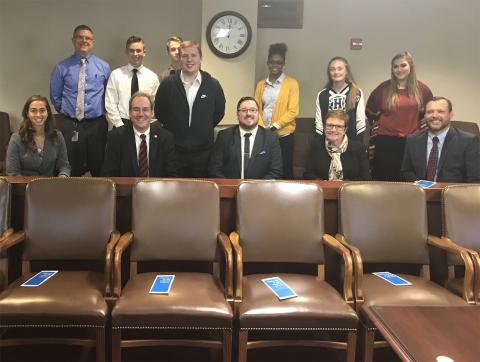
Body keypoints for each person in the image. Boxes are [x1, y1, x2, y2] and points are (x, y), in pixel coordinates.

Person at [154, 40, 225, 177]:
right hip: (174, 151)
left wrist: (202, 127)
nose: (189, 60)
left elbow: (218, 113)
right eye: (185, 56)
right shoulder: (168, 84)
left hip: (204, 154)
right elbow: (160, 112)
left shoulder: (212, 85)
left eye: (193, 55)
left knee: (200, 194)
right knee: (174, 194)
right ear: (180, 58)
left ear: (200, 58)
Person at [50, 24, 111, 176]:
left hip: (96, 124)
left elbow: (109, 95)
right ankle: (71, 197)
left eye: (88, 38)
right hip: (71, 124)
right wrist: (68, 112)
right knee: (71, 165)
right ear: (73, 40)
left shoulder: (104, 67)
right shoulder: (61, 67)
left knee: (99, 166)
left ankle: (100, 198)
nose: (84, 40)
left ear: (93, 42)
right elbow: (55, 96)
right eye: (80, 37)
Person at [366, 51, 432, 181]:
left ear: (411, 67)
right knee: (384, 180)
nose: (399, 69)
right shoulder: (383, 88)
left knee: (409, 179)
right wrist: (377, 126)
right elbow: (369, 111)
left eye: (403, 65)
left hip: (413, 141)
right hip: (386, 141)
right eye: (395, 66)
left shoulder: (422, 89)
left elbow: (430, 112)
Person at [401, 97, 479, 183]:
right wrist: (421, 188)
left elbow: (474, 178)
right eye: (430, 112)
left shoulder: (468, 141)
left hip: (453, 194)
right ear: (424, 115)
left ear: (451, 115)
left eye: (440, 111)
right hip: (420, 193)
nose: (434, 116)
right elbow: (406, 171)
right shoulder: (413, 140)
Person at [101, 92, 176, 177]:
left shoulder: (166, 138)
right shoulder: (115, 138)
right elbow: (109, 174)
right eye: (136, 109)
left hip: (157, 188)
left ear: (152, 112)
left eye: (145, 109)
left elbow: (171, 174)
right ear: (129, 112)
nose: (140, 114)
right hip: (127, 189)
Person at [208, 96, 282, 179]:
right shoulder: (224, 136)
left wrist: (256, 188)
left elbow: (276, 171)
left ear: (259, 113)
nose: (248, 114)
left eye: (253, 110)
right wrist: (231, 187)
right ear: (237, 114)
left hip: (260, 189)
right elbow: (214, 169)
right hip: (230, 189)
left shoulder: (271, 139)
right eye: (244, 110)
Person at [254, 43, 299, 179]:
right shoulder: (261, 84)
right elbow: (256, 108)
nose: (275, 65)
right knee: (266, 168)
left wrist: (274, 127)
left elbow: (293, 111)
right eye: (272, 62)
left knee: (284, 169)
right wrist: (263, 127)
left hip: (284, 136)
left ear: (283, 63)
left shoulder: (292, 83)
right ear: (268, 63)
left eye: (279, 62)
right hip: (264, 134)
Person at [6, 95, 70, 177]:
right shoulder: (16, 138)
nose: (38, 115)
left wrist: (62, 178)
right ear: (27, 113)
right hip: (24, 187)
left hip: (50, 186)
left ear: (48, 113)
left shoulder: (57, 136)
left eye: (42, 110)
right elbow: (13, 172)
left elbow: (64, 166)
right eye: (33, 111)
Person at [105, 36, 160, 128]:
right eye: (131, 51)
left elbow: (155, 104)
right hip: (122, 123)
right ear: (127, 52)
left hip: (145, 123)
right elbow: (110, 103)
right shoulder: (116, 75)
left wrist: (149, 123)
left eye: (138, 50)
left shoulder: (152, 77)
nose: (135, 54)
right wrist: (119, 125)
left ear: (144, 52)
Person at [304, 110, 370, 181]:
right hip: (322, 189)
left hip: (350, 190)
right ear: (324, 127)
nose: (333, 130)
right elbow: (308, 173)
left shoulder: (359, 148)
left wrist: (346, 185)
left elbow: (365, 177)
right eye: (330, 125)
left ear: (345, 129)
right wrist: (322, 183)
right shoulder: (315, 145)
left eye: (339, 126)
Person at [315, 56, 366, 142]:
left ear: (346, 71)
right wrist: (320, 145)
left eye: (340, 69)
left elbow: (360, 122)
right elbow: (319, 124)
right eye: (332, 69)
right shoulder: (322, 95)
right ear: (329, 73)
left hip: (350, 143)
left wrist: (357, 145)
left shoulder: (356, 92)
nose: (336, 72)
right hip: (328, 143)